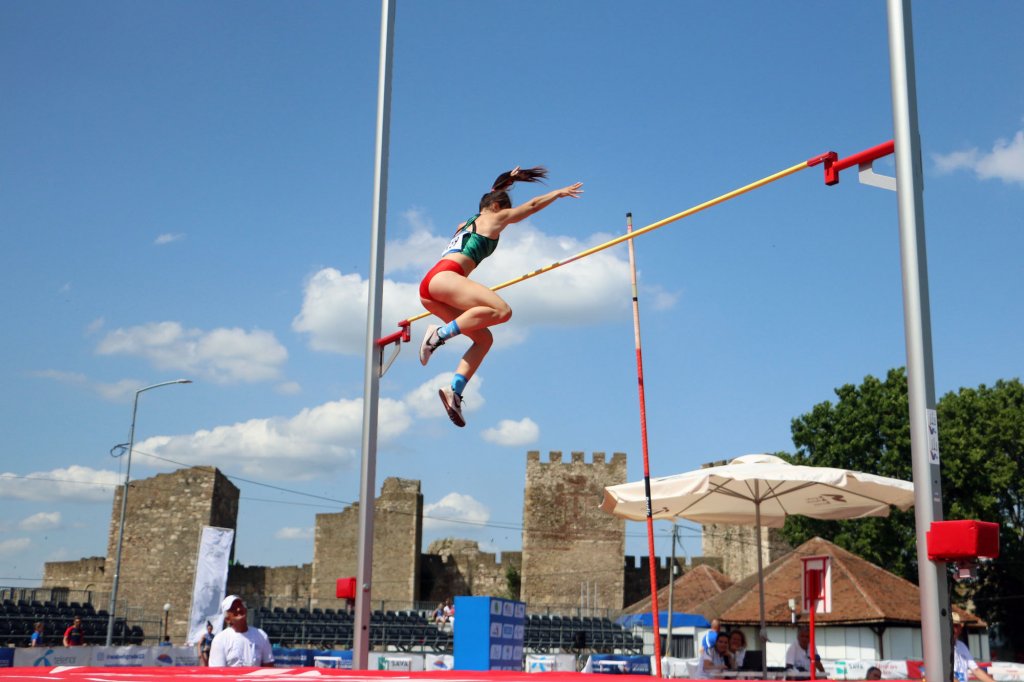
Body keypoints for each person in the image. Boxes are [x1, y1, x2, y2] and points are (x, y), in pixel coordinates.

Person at [418, 166, 584, 427]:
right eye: (505, 210)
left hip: (431, 289)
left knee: (484, 339)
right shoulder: (494, 218)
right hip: (445, 278)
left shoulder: (467, 222)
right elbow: (532, 206)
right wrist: (557, 193)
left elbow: (494, 191)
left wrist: (509, 180)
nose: (506, 219)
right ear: (497, 207)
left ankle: (455, 391)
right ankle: (438, 335)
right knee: (502, 311)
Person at [208, 595, 274, 667]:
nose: (238, 609)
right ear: (227, 619)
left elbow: (268, 667)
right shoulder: (220, 640)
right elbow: (218, 671)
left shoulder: (261, 635)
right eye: (233, 608)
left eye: (240, 606)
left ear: (245, 610)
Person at [952, 612, 995, 682]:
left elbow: (976, 670)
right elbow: (945, 675)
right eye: (951, 625)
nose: (953, 629)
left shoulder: (962, 646)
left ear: (960, 628)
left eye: (956, 626)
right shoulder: (939, 649)